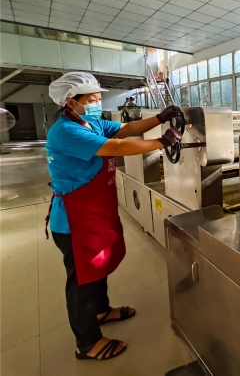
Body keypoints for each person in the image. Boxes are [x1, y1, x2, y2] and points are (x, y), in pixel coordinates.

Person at [45, 72, 182, 361]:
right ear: (71, 102)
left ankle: (101, 311)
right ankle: (87, 343)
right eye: (92, 100)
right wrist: (161, 142)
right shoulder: (65, 131)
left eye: (98, 99)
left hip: (94, 213)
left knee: (99, 266)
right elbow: (115, 147)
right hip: (74, 221)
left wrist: (160, 118)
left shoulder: (91, 122)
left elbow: (127, 129)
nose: (97, 103)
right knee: (82, 281)